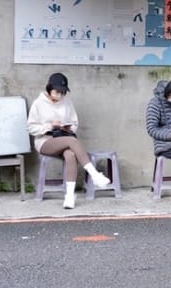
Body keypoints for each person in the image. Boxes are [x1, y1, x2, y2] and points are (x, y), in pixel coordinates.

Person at [25, 72, 111, 210]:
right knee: (72, 141)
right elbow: (30, 127)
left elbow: (74, 122)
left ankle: (69, 197)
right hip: (45, 141)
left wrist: (68, 128)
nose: (59, 96)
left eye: (63, 93)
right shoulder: (38, 103)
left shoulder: (67, 102)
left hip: (63, 137)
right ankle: (94, 174)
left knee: (71, 155)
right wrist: (49, 126)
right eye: (57, 92)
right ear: (49, 88)